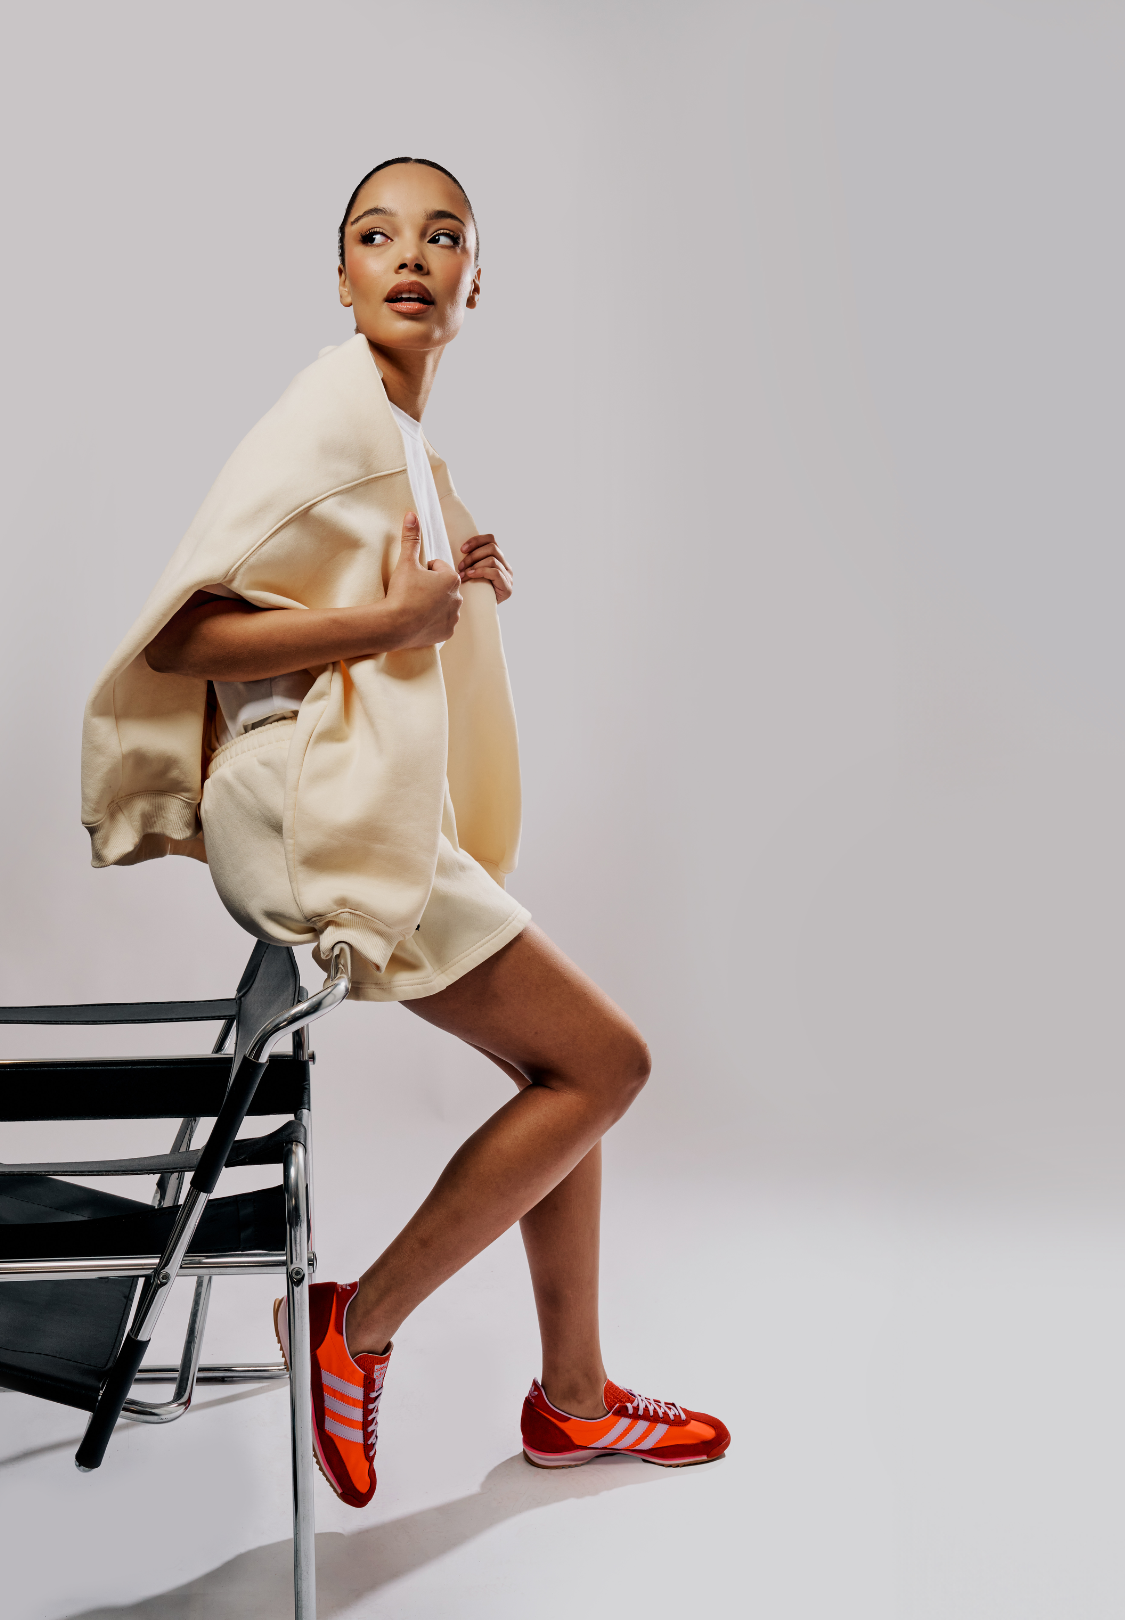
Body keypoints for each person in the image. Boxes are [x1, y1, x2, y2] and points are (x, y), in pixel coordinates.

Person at [83, 156, 729, 1508]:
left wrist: (448, 594)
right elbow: (191, 631)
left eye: (444, 235)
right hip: (301, 804)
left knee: (568, 1073)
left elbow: (382, 605)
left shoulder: (405, 452)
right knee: (606, 1063)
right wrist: (390, 623)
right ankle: (354, 1328)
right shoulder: (323, 416)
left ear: (475, 281)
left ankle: (573, 1401)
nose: (412, 254)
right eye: (379, 235)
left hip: (336, 794)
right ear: (343, 277)